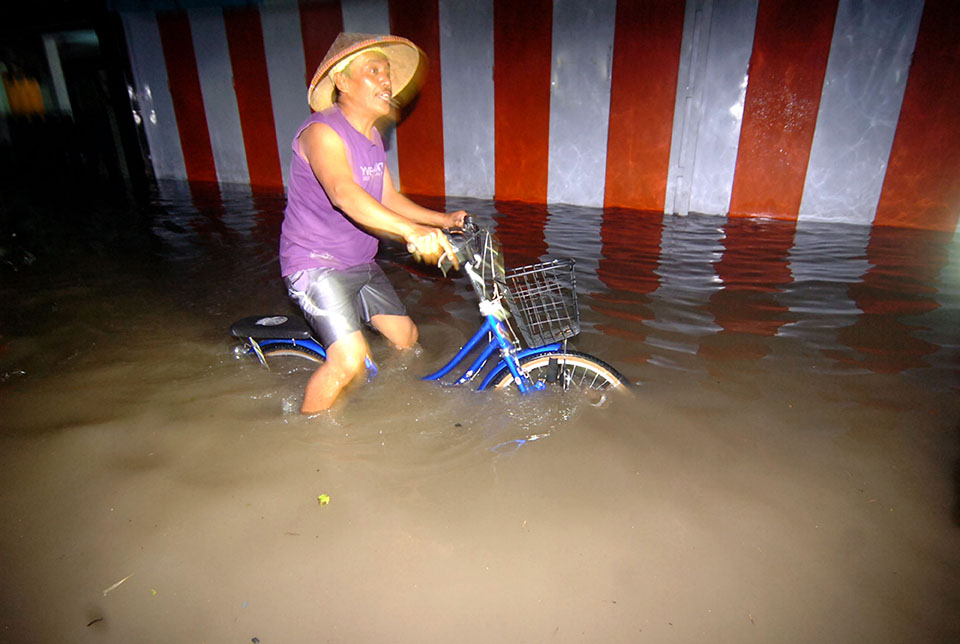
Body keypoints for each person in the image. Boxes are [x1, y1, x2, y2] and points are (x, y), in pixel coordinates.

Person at [279, 32, 466, 413]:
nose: (387, 80)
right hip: (317, 264)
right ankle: (308, 443)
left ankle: (391, 404)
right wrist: (411, 231)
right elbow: (343, 194)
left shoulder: (373, 136)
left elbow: (387, 197)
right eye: (374, 70)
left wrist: (443, 220)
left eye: (388, 72)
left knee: (407, 338)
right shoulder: (322, 132)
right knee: (348, 362)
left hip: (360, 261)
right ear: (343, 82)